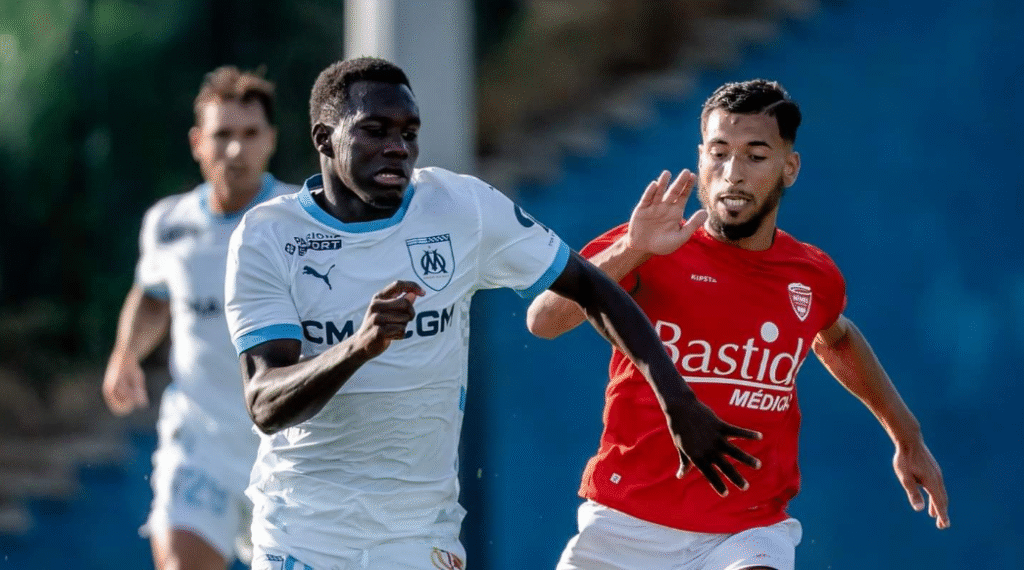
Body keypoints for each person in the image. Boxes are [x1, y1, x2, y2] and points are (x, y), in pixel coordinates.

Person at [224, 57, 762, 570]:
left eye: (409, 133)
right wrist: (359, 346)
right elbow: (265, 402)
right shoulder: (270, 235)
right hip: (302, 531)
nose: (397, 148)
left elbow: (592, 289)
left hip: (417, 536)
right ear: (324, 138)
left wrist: (677, 399)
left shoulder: (462, 208)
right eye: (376, 130)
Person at [526, 79, 951, 570]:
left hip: (746, 529)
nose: (733, 173)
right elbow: (543, 321)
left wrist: (907, 435)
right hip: (626, 523)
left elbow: (836, 338)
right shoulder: (650, 243)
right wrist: (632, 249)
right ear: (701, 157)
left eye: (755, 155)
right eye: (719, 152)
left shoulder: (813, 276)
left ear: (789, 167)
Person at [101, 66, 298, 570]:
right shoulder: (168, 224)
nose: (236, 149)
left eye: (250, 134)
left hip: (286, 458)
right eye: (222, 134)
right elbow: (151, 297)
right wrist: (126, 354)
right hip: (198, 448)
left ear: (271, 140)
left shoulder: (300, 219)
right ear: (196, 142)